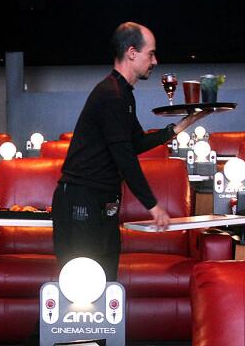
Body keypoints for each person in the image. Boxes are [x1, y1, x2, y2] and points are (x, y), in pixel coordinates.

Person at [52, 21, 209, 281]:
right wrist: (153, 206)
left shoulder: (123, 94)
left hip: (101, 201)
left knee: (105, 281)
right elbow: (124, 157)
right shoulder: (111, 95)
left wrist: (182, 126)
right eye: (151, 53)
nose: (155, 60)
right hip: (81, 200)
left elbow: (135, 142)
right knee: (78, 286)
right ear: (132, 53)